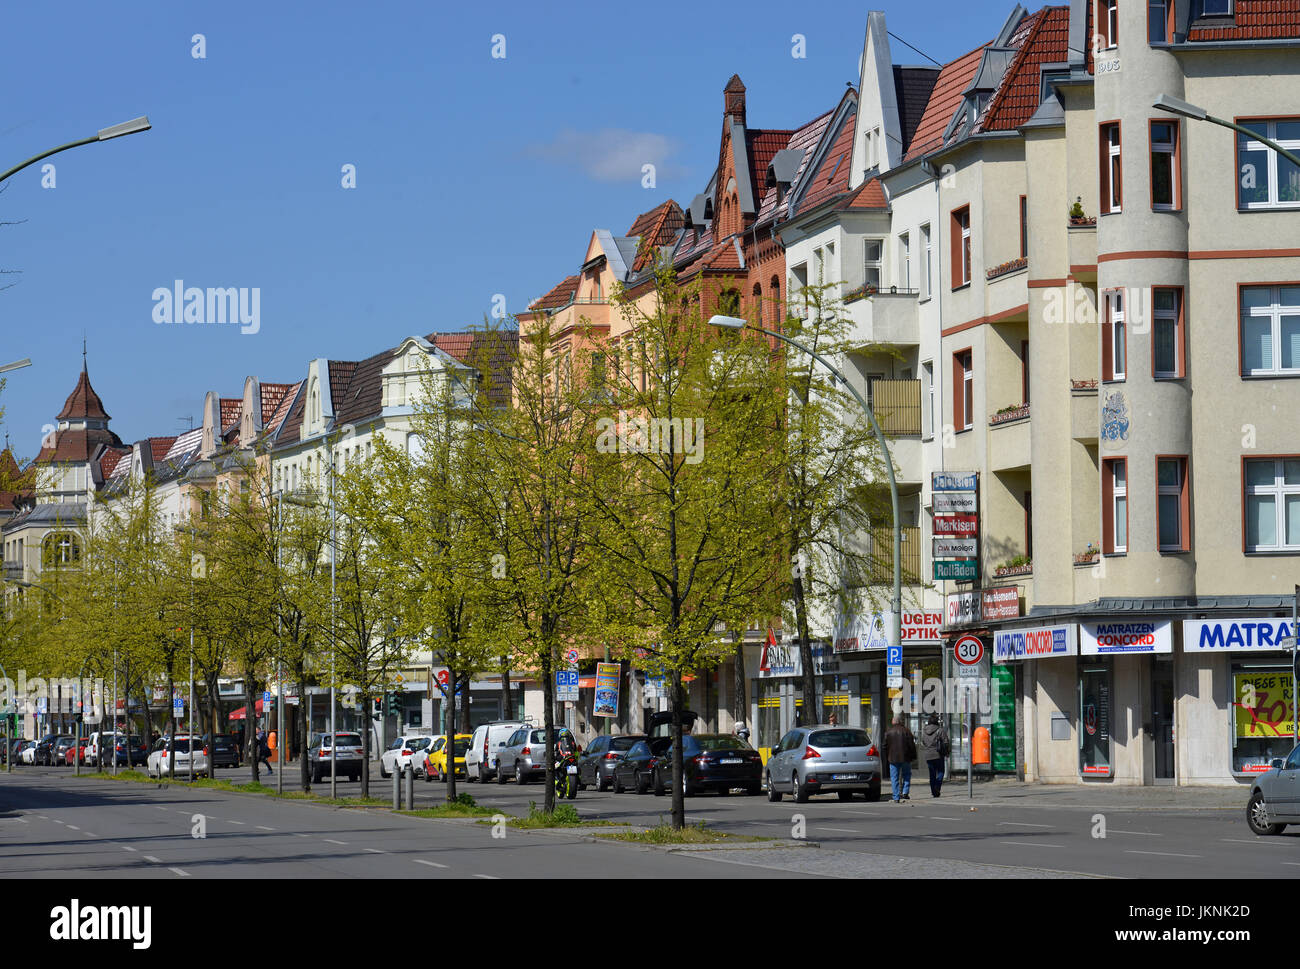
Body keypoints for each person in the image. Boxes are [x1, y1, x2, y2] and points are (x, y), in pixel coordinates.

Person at [881, 714, 917, 803]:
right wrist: (913, 756)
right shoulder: (906, 731)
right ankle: (905, 792)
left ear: (893, 722)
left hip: (892, 758)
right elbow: (911, 746)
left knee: (894, 778)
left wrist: (887, 756)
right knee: (907, 775)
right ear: (900, 722)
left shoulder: (888, 732)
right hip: (905, 757)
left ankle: (896, 797)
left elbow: (884, 746)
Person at [919, 713, 951, 798]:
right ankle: (937, 787)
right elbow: (946, 742)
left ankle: (934, 792)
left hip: (928, 755)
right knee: (941, 772)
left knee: (932, 774)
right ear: (936, 722)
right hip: (938, 754)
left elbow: (923, 742)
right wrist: (947, 752)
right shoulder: (940, 730)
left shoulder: (924, 731)